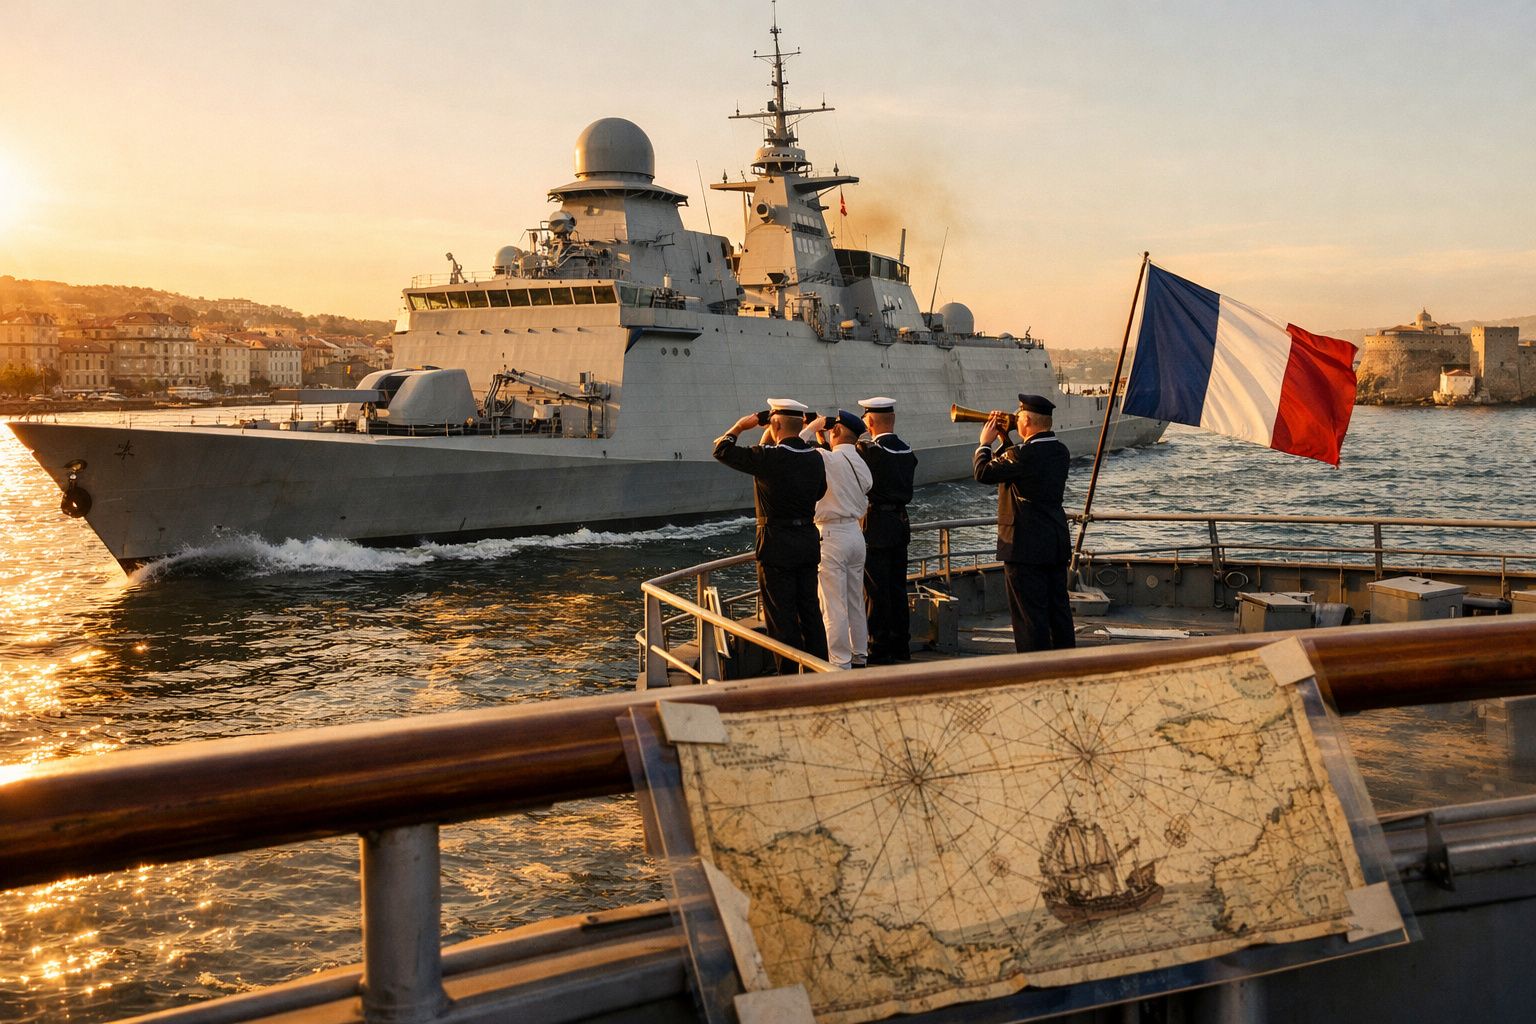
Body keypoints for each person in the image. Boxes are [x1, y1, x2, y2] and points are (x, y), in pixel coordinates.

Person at [714, 398, 829, 671]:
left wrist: (741, 426)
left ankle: (787, 679)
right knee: (810, 613)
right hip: (806, 542)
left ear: (775, 424)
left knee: (781, 618)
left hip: (776, 545)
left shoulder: (768, 459)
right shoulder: (814, 457)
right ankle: (822, 674)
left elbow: (722, 450)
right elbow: (820, 492)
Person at [972, 393, 1076, 653]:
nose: (1015, 421)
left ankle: (1033, 667)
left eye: (1018, 418)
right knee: (1057, 609)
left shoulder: (1023, 455)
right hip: (1053, 542)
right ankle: (1067, 661)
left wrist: (984, 444)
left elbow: (983, 473)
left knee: (1029, 615)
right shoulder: (1060, 451)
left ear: (1027, 421)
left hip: (1025, 547)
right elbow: (1019, 466)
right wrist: (1005, 439)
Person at [803, 410, 873, 669]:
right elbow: (842, 469)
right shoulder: (861, 463)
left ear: (836, 431)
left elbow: (793, 449)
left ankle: (840, 662)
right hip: (855, 534)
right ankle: (860, 653)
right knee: (855, 597)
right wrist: (823, 435)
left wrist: (811, 428)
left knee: (833, 604)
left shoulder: (825, 458)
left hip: (831, 535)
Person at [856, 396, 918, 664]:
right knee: (897, 589)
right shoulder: (907, 451)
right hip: (899, 525)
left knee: (875, 591)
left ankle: (879, 648)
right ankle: (901, 646)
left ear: (869, 421)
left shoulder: (870, 452)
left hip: (876, 527)